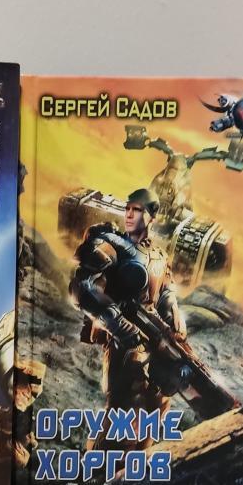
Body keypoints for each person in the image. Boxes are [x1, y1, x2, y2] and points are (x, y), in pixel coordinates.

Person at [68, 188, 186, 453]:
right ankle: (97, 465)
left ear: (152, 216)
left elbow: (165, 292)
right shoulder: (112, 244)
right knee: (123, 411)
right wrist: (118, 325)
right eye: (128, 209)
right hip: (124, 342)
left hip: (155, 338)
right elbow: (81, 287)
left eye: (137, 210)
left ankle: (136, 465)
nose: (129, 215)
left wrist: (175, 319)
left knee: (158, 406)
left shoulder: (159, 255)